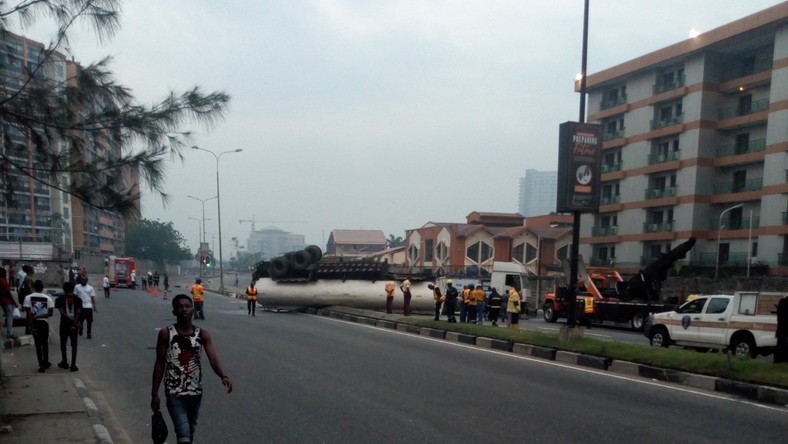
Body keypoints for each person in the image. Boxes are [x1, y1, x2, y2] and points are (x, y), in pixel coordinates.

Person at [151, 294, 233, 444]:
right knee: (183, 433)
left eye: (187, 306)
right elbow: (160, 363)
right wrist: (154, 394)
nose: (184, 309)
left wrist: (223, 376)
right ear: (174, 312)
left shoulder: (202, 334)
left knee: (189, 431)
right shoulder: (166, 334)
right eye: (179, 307)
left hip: (195, 393)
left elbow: (213, 359)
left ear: (193, 310)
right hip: (174, 393)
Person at [23, 280, 54, 372]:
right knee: (45, 344)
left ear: (33, 287)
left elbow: (28, 314)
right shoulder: (48, 298)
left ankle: (41, 365)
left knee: (37, 344)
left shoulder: (28, 298)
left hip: (34, 323)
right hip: (44, 323)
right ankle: (46, 362)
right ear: (42, 288)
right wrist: (40, 316)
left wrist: (31, 326)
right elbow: (50, 313)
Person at [56, 282, 82, 371]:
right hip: (74, 325)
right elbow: (78, 312)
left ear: (64, 289)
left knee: (63, 343)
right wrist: (74, 322)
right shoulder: (78, 299)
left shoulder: (59, 299)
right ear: (73, 288)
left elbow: (61, 312)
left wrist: (68, 318)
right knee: (74, 345)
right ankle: (73, 365)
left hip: (64, 324)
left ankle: (64, 362)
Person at [75, 275, 97, 339]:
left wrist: (94, 306)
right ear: (80, 280)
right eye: (82, 279)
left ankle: (89, 333)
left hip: (88, 307)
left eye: (84, 280)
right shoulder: (77, 287)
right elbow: (75, 296)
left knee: (89, 321)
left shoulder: (90, 288)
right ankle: (80, 329)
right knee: (80, 320)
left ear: (87, 281)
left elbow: (92, 297)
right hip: (80, 307)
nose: (83, 281)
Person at [0, 267, 18, 339]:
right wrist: (14, 302)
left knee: (8, 316)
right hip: (8, 302)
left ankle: (8, 332)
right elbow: (8, 293)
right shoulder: (4, 281)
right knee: (10, 318)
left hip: (2, 301)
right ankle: (10, 333)